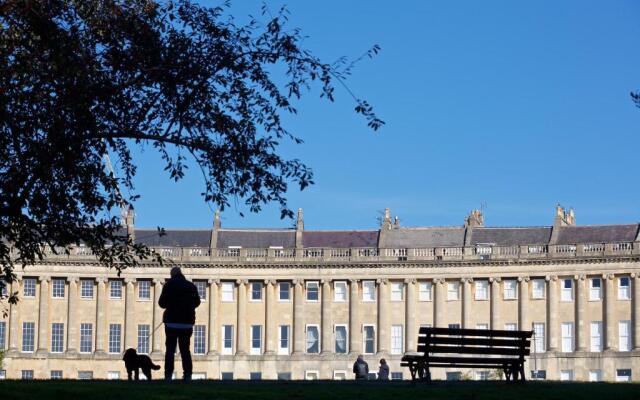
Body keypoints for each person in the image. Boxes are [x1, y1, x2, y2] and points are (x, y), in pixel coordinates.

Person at [158, 266, 201, 382]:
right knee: (185, 350)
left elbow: (161, 303)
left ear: (172, 275)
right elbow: (197, 302)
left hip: (172, 322)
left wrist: (171, 305)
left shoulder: (169, 285)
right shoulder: (191, 286)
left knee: (170, 351)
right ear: (181, 274)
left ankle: (168, 376)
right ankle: (187, 375)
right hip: (187, 323)